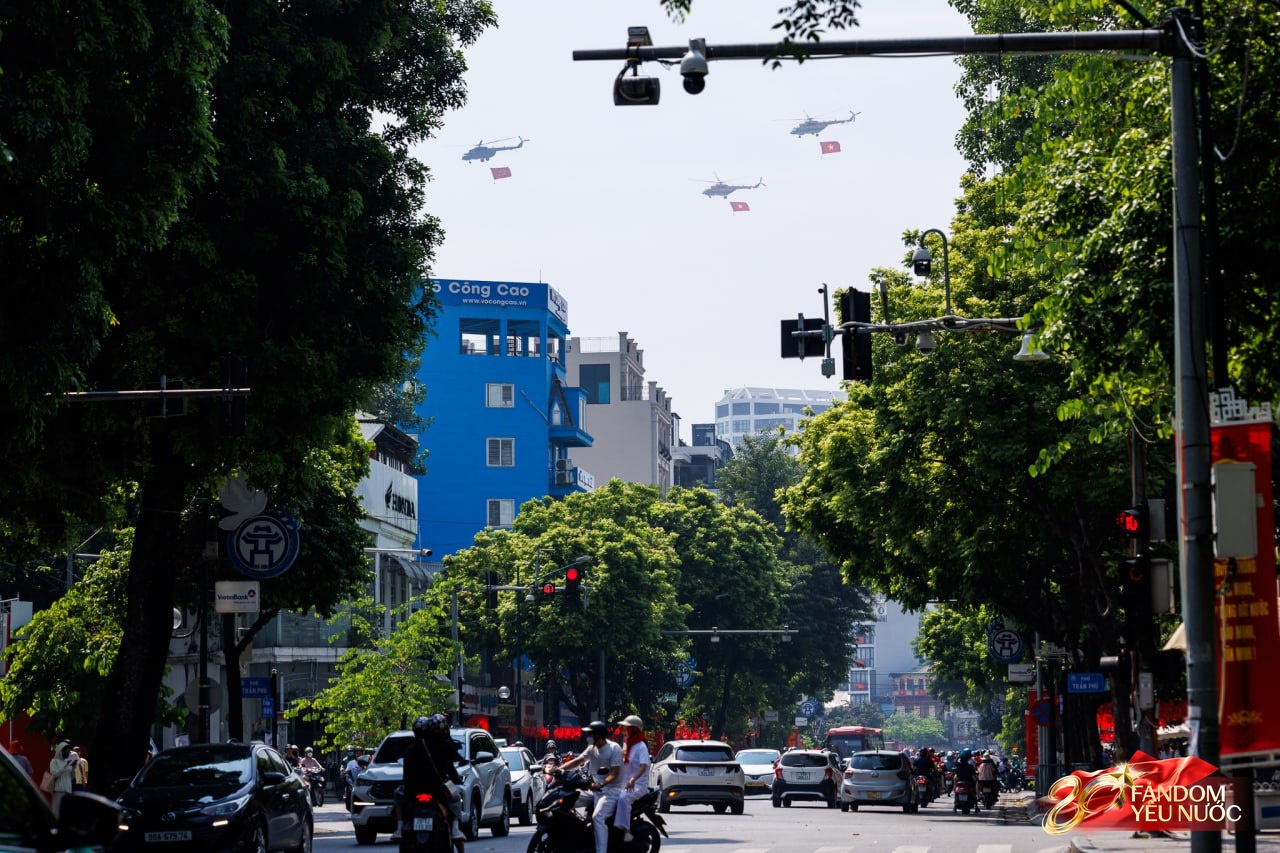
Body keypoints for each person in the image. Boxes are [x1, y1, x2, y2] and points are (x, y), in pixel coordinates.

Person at [559, 721, 622, 853]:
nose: (588, 736)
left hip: (611, 791)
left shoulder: (614, 748)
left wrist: (602, 784)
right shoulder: (591, 749)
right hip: (594, 790)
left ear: (599, 735)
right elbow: (577, 762)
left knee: (597, 817)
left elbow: (615, 773)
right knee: (566, 799)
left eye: (591, 734)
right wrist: (558, 770)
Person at [403, 713, 465, 848]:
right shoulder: (441, 746)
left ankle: (399, 825)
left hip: (414, 790)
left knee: (399, 796)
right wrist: (457, 780)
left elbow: (406, 774)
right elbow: (449, 767)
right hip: (436, 789)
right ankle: (455, 828)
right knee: (456, 797)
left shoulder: (411, 748)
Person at [614, 715, 650, 844]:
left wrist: (633, 780)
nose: (623, 732)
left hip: (638, 785)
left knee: (623, 798)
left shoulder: (641, 746)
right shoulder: (627, 746)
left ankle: (626, 831)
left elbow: (643, 766)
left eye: (625, 729)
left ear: (633, 730)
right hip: (625, 783)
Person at [47, 741, 78, 816]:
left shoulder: (68, 761)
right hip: (58, 791)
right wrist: (66, 765)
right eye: (65, 749)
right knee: (56, 812)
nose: (68, 751)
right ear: (60, 751)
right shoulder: (54, 761)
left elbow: (72, 777)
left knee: (66, 814)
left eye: (68, 749)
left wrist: (74, 767)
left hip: (68, 791)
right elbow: (55, 774)